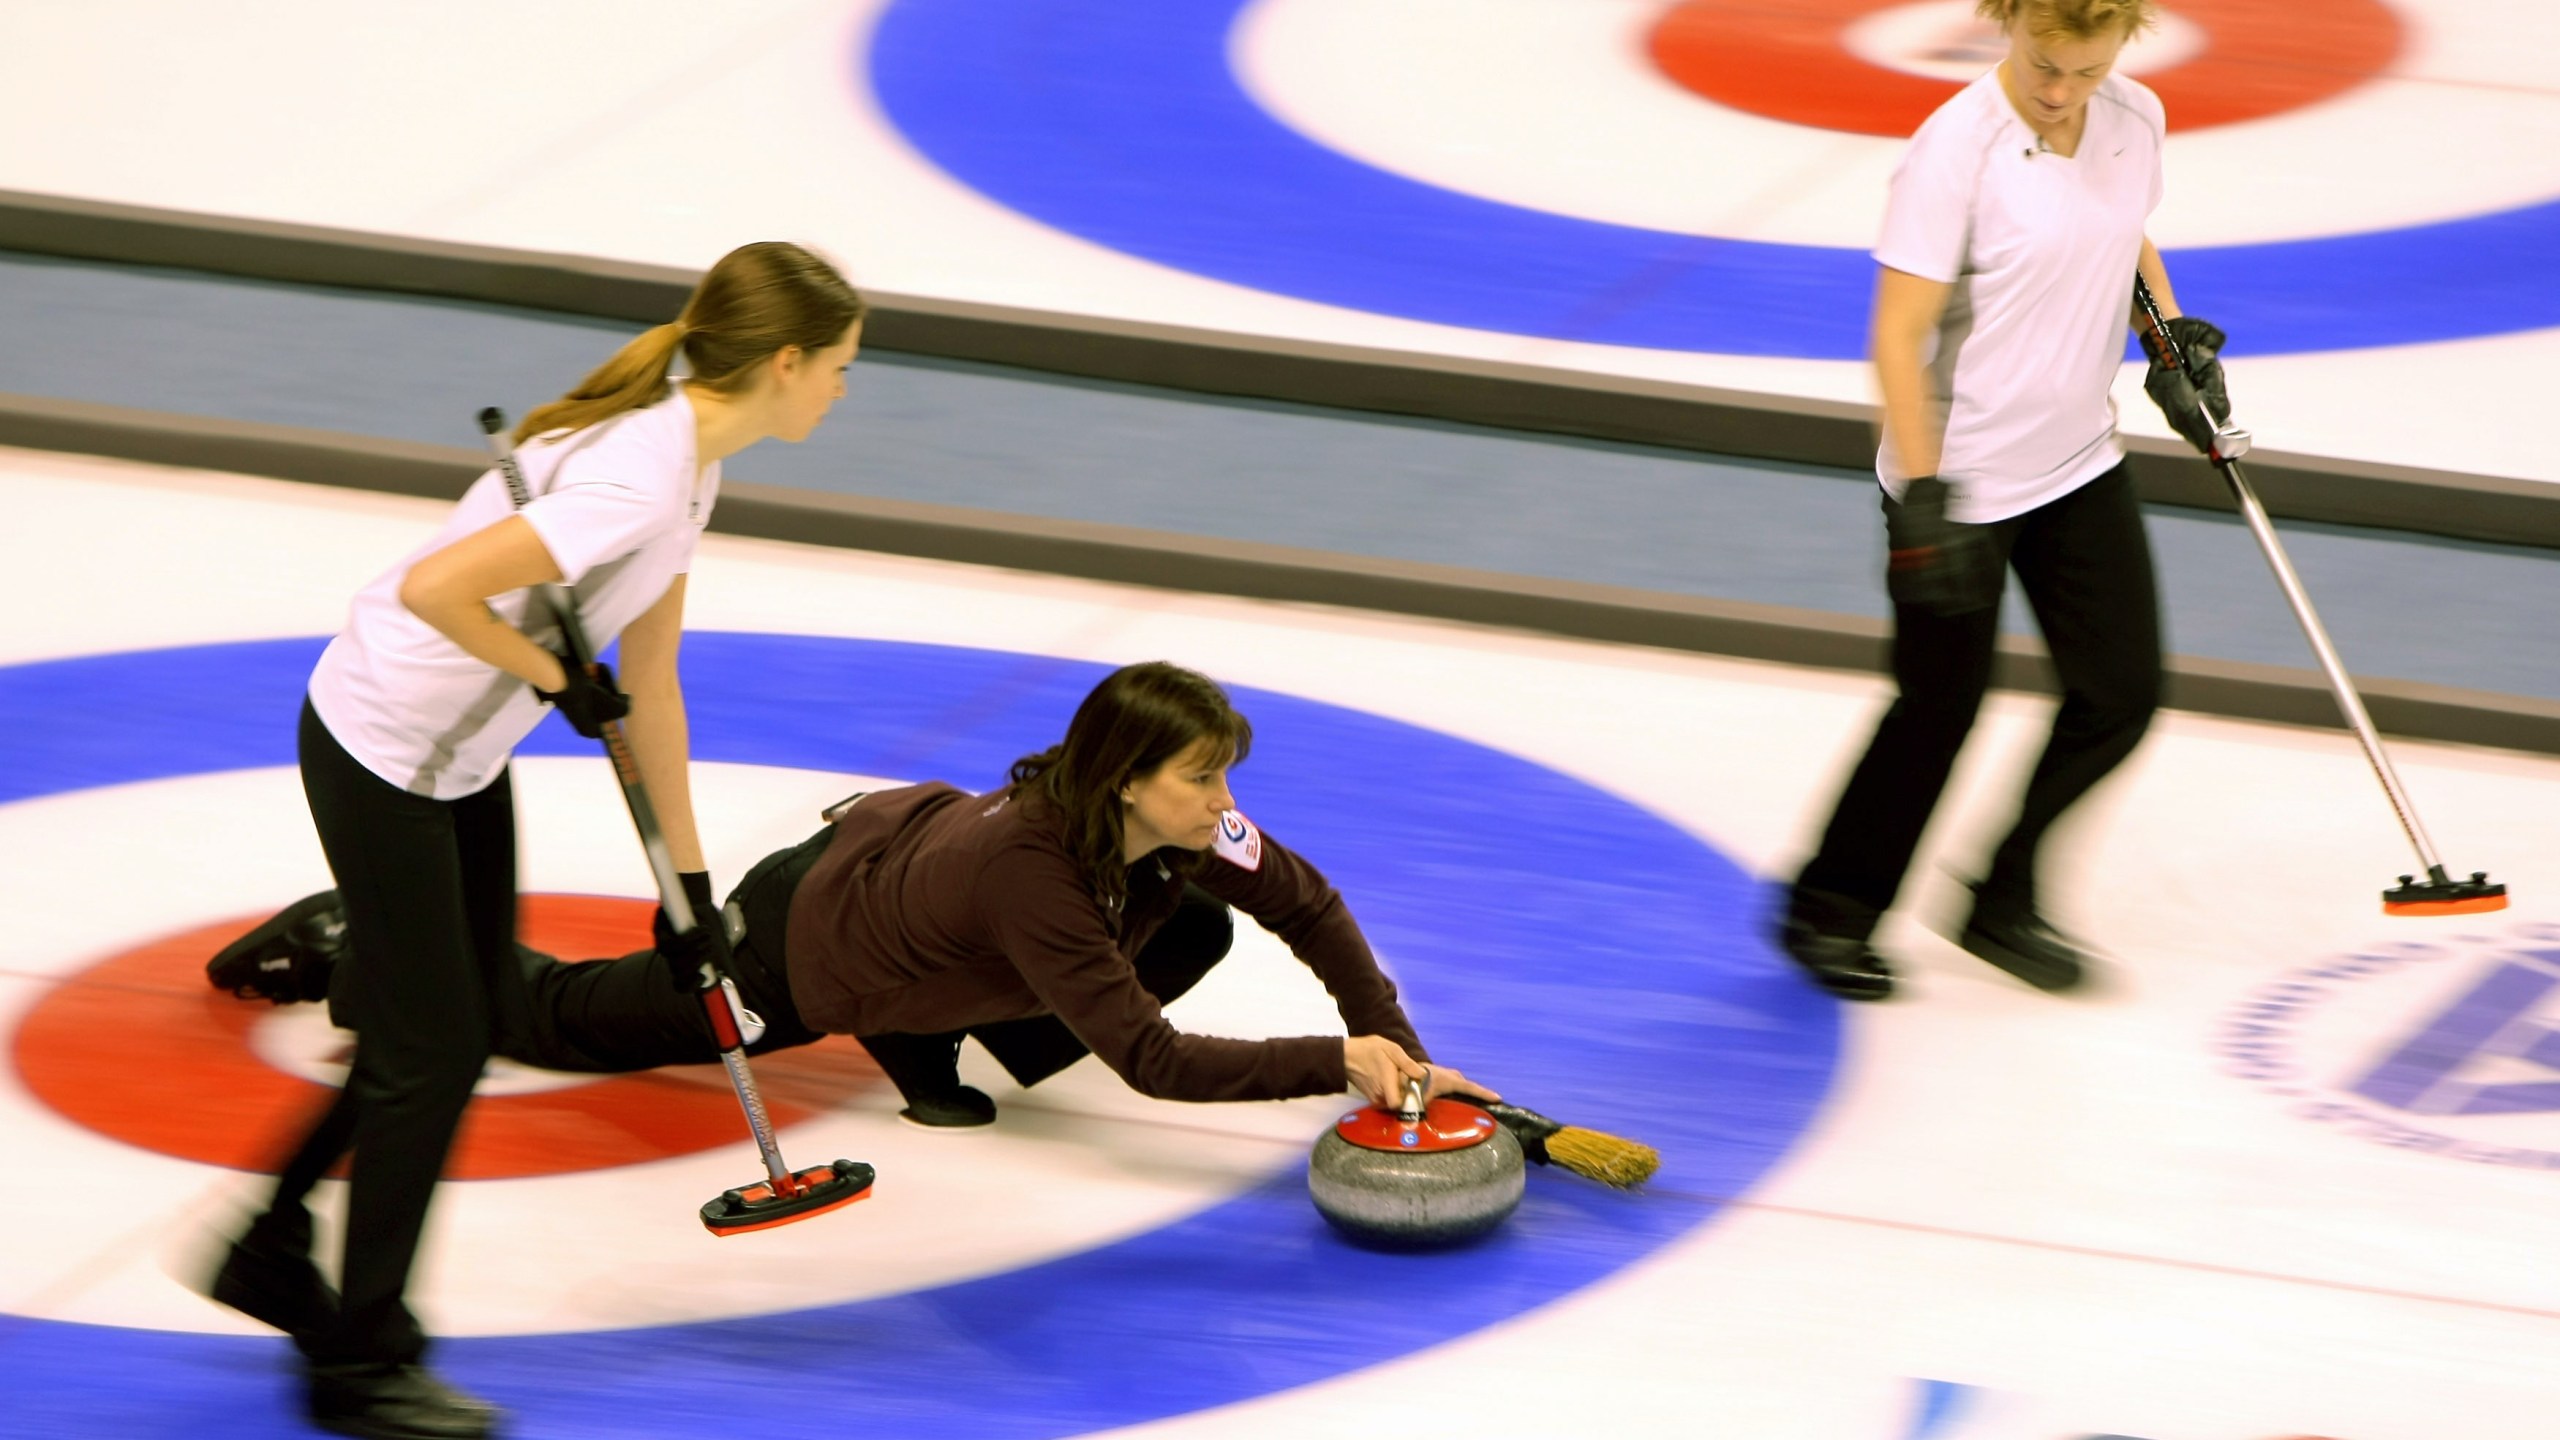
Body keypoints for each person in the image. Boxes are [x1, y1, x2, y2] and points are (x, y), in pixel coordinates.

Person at [206, 242, 867, 1440]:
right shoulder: (637, 482)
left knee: (454, 1027)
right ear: (782, 363)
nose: (841, 390)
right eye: (837, 368)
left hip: (451, 758)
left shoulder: (688, 464)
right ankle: (361, 1361)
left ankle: (268, 1248)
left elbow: (653, 683)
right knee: (433, 1052)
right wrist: (557, 676)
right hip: (385, 750)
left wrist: (690, 890)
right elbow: (437, 591)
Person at [212, 662, 1494, 1133]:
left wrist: (1412, 1052)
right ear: (1125, 777)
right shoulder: (1034, 870)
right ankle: (347, 942)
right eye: (1202, 775)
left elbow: (1309, 904)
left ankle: (923, 1021)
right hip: (796, 949)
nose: (1223, 800)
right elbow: (1150, 1062)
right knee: (550, 1021)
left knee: (1201, 917)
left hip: (899, 889)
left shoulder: (1171, 819)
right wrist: (1338, 1059)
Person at [1777, 0, 2231, 1002]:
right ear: (2008, 23)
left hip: (2075, 458)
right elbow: (1898, 334)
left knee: (2118, 694)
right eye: (2041, 64)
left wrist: (2169, 342)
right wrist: (1925, 500)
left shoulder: (2132, 118)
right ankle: (1829, 909)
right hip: (1961, 477)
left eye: (2085, 70)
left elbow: (2122, 238)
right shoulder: (1954, 151)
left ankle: (2001, 896)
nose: (2060, 91)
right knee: (1941, 705)